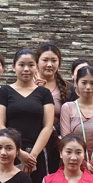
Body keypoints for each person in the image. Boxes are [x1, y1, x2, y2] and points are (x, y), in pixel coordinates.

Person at [0, 48, 55, 183]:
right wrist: (19, 153)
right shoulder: (4, 92)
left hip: (37, 153)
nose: (26, 69)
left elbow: (48, 126)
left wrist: (32, 156)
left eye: (31, 65)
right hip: (9, 153)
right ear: (13, 67)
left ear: (37, 67)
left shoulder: (44, 93)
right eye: (21, 64)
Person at [59, 65, 93, 175]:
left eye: (92, 83)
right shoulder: (68, 108)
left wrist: (91, 164)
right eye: (84, 83)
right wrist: (83, 163)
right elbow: (66, 139)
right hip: (72, 165)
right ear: (76, 83)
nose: (88, 87)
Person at [35, 42, 69, 175]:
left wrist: (53, 128)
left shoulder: (68, 88)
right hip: (32, 141)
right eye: (45, 60)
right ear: (37, 62)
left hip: (56, 143)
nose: (49, 64)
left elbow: (71, 116)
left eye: (54, 60)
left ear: (59, 63)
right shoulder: (26, 85)